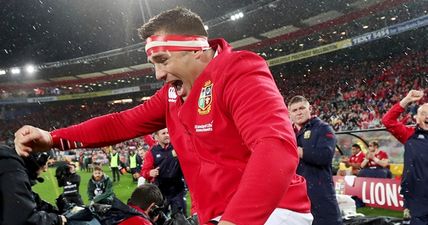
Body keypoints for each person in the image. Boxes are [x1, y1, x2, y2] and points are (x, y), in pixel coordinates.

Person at [14, 7, 312, 225]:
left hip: (272, 213)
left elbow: (274, 148)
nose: (157, 73)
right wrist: (53, 138)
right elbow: (122, 122)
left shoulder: (239, 71)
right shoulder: (172, 94)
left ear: (196, 51)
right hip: (221, 215)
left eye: (162, 60)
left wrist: (235, 221)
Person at [288, 95, 342, 225]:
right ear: (289, 113)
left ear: (309, 109)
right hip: (295, 192)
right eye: (294, 110)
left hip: (319, 190)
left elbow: (325, 156)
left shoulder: (323, 128)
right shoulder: (288, 132)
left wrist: (301, 152)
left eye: (301, 108)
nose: (299, 112)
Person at [382, 89, 428, 225]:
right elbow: (387, 121)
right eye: (423, 113)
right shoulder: (409, 134)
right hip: (415, 196)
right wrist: (407, 100)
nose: (427, 116)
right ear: (416, 118)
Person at [0, 144, 67, 225]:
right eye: (46, 163)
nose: (46, 169)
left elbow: (25, 198)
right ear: (36, 161)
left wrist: (52, 209)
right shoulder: (12, 170)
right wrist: (57, 219)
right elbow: (22, 219)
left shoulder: (9, 164)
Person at [141, 128, 186, 216]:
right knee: (160, 218)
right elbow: (144, 171)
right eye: (163, 133)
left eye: (168, 132)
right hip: (160, 191)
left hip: (178, 189)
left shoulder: (177, 146)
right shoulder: (152, 152)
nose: (167, 135)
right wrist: (149, 173)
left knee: (180, 218)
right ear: (156, 137)